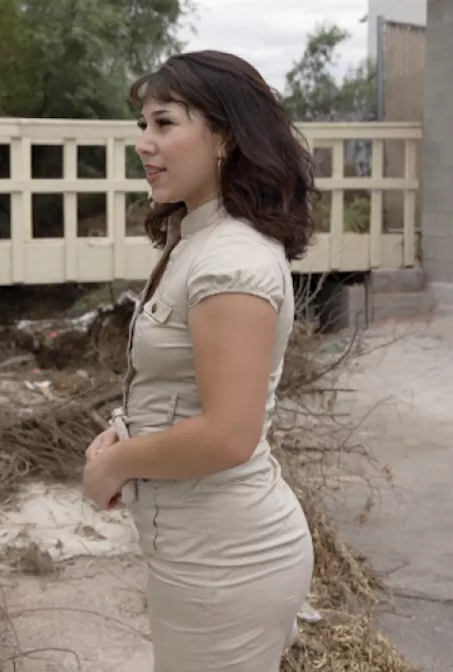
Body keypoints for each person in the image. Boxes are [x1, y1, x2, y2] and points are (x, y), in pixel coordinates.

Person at [80, 50, 318, 672]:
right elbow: (179, 384)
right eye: (143, 125)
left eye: (164, 123)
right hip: (196, 551)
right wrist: (123, 433)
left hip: (227, 563)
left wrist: (115, 467)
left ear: (224, 137)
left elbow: (228, 433)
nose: (144, 142)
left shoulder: (230, 261)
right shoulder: (197, 238)